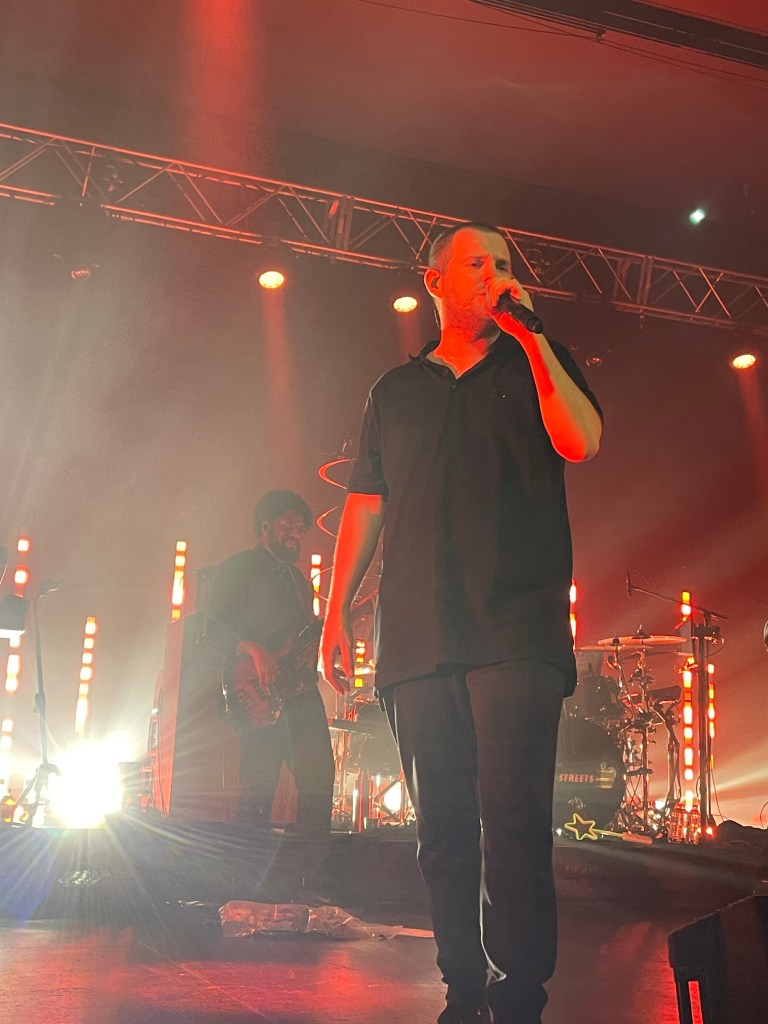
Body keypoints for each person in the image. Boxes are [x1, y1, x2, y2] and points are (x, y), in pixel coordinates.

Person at [319, 223, 602, 1024]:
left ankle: (520, 998)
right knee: (441, 831)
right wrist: (335, 611)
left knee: (513, 822)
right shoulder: (393, 391)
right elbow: (366, 501)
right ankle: (462, 991)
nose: (493, 274)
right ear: (435, 280)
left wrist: (534, 339)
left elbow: (581, 442)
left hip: (517, 630)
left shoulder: (536, 361)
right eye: (476, 262)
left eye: (503, 263)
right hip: (416, 634)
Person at [204, 489, 334, 890]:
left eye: (302, 527)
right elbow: (212, 629)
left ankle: (306, 881)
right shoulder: (237, 568)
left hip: (299, 692)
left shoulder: (298, 581)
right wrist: (254, 649)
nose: (297, 532)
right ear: (265, 526)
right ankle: (245, 886)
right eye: (288, 524)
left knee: (319, 778)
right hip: (254, 689)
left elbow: (303, 638)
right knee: (258, 788)